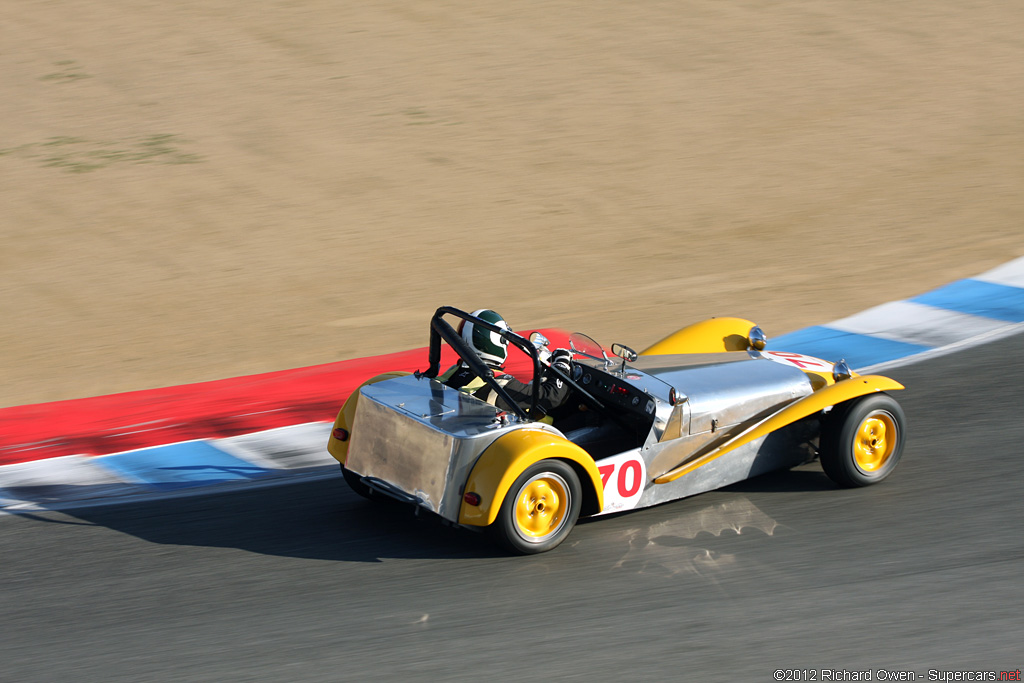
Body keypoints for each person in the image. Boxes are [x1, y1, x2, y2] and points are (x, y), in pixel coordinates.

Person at [440, 309, 572, 419]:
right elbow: (552, 396)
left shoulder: (452, 374)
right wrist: (562, 363)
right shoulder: (500, 384)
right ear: (498, 342)